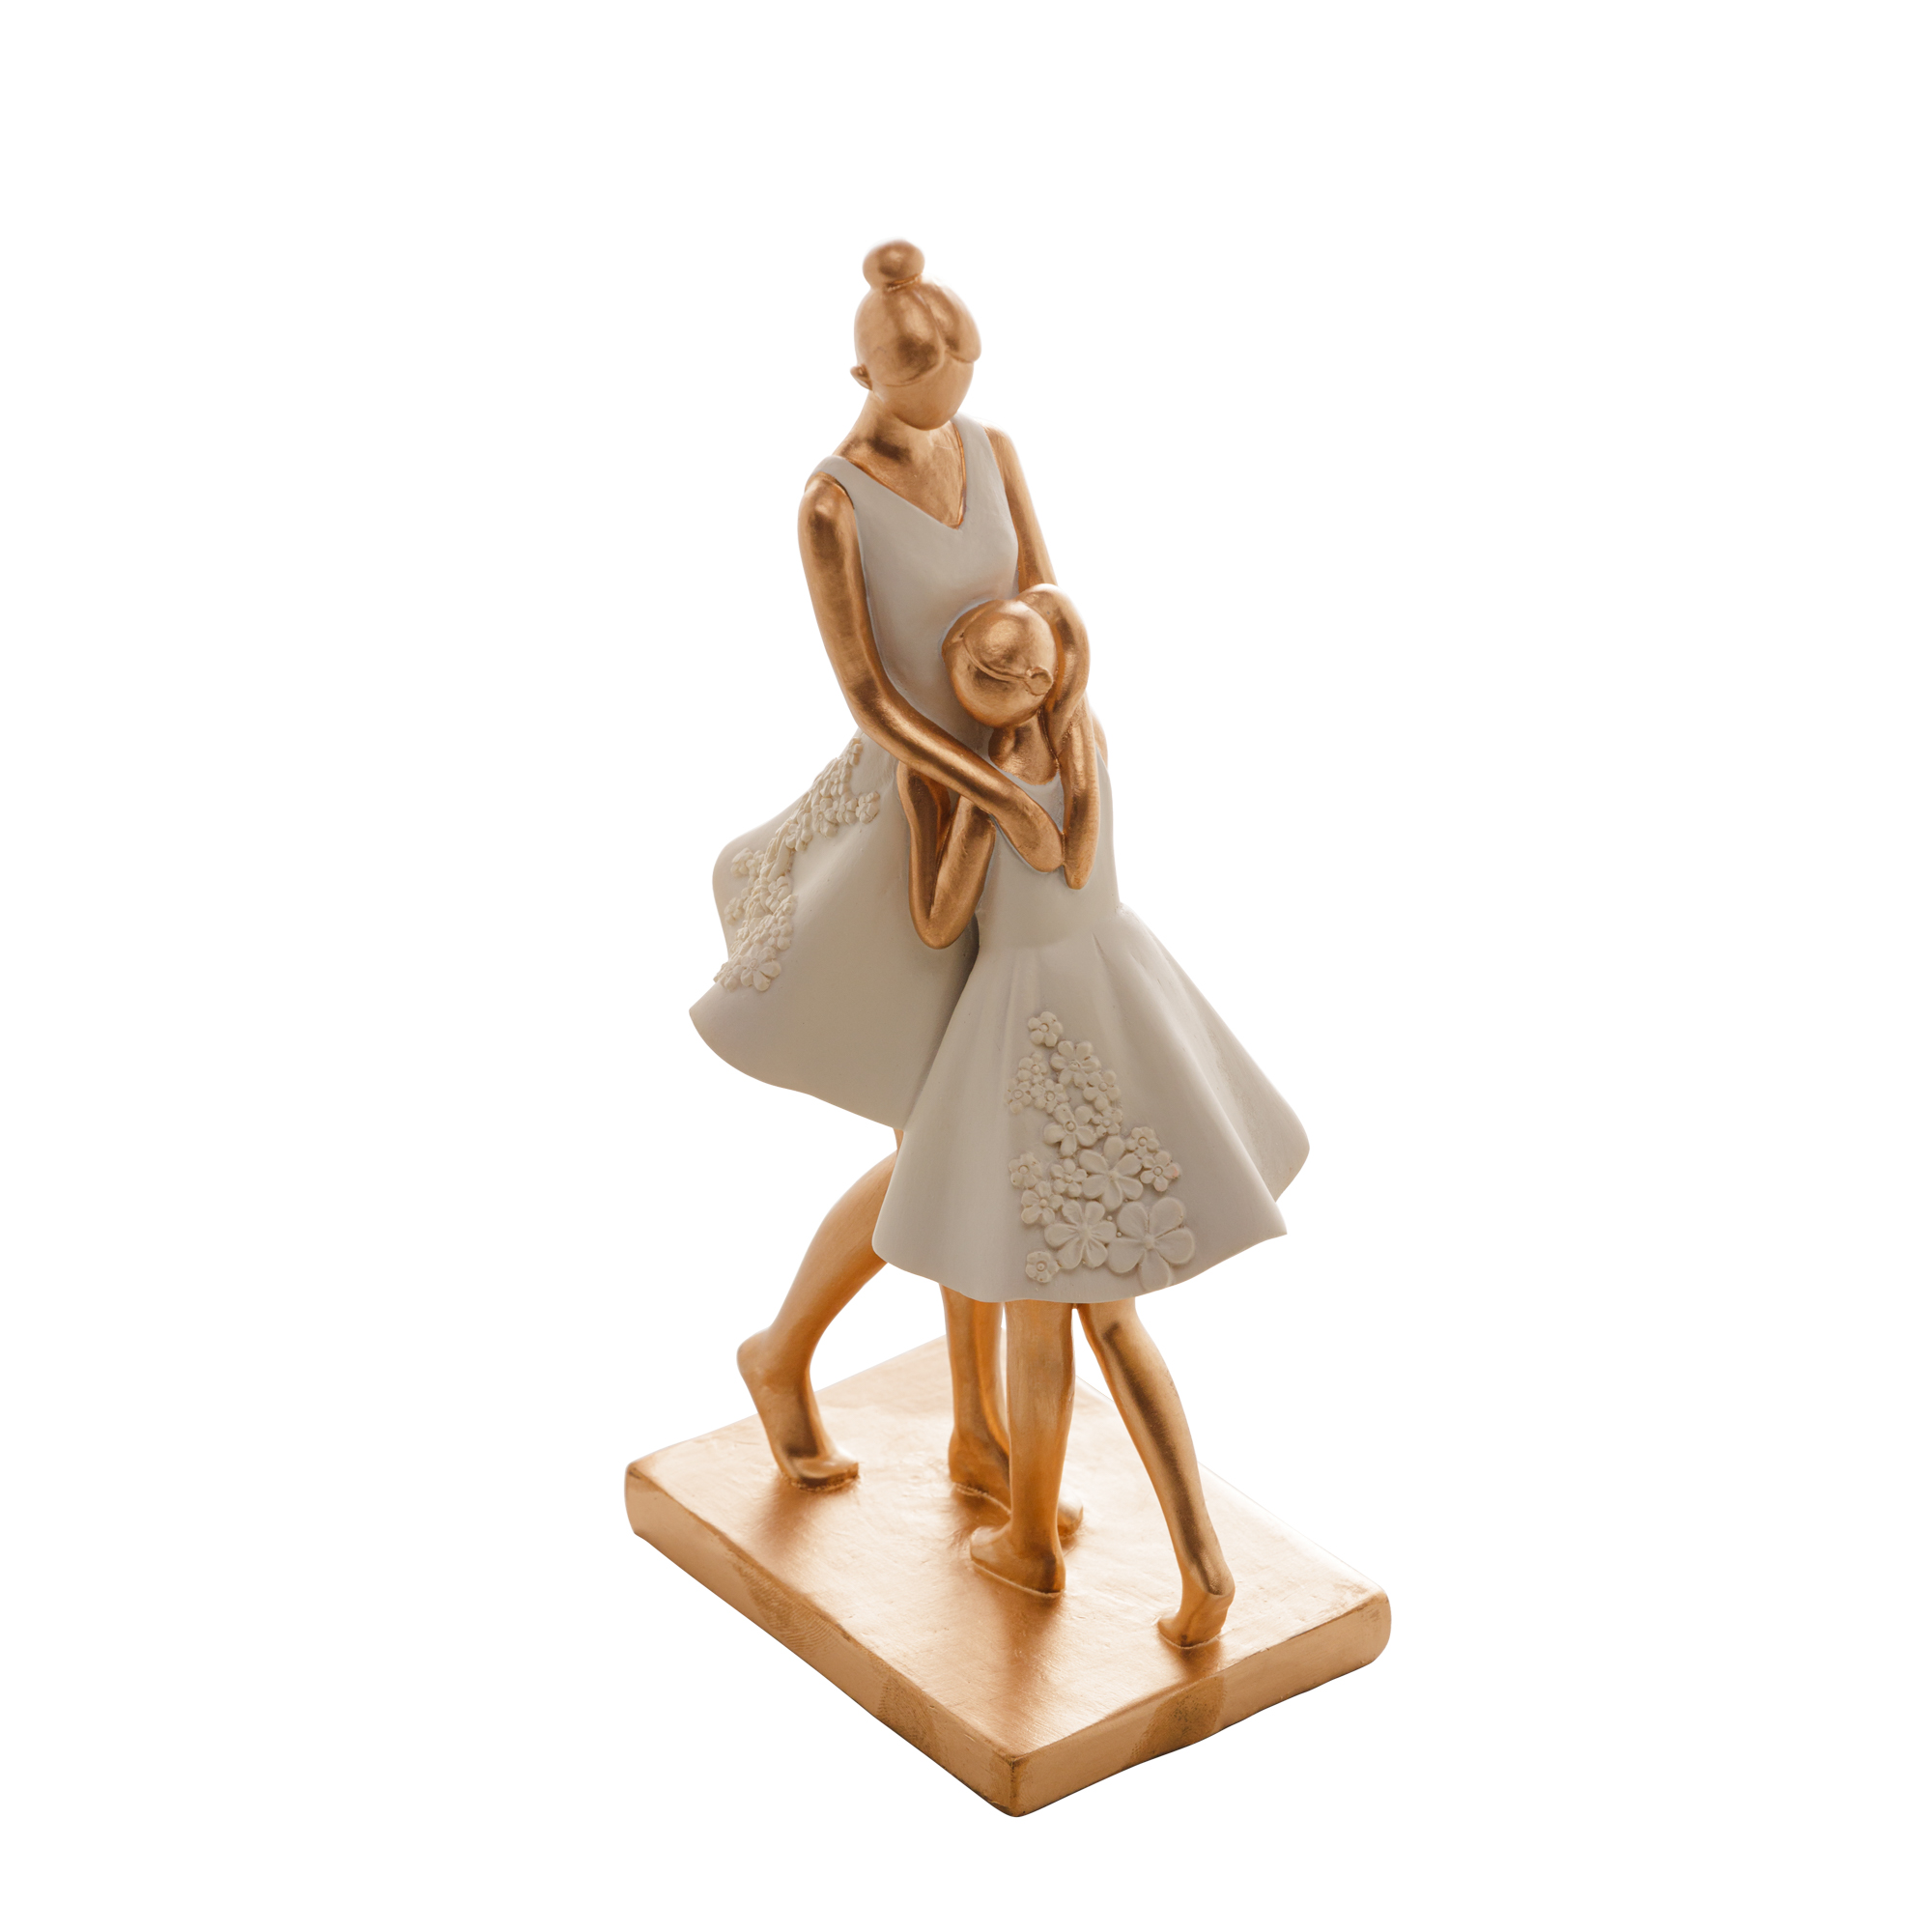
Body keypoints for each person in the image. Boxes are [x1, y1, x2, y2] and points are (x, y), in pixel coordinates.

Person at [689, 242, 1089, 1524]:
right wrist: (990, 794)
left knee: (967, 1141)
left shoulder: (994, 451)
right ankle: (783, 1352)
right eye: (925, 384)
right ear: (865, 376)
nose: (950, 403)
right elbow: (871, 697)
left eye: (963, 375)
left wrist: (1056, 748)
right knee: (944, 1138)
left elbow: (1043, 604)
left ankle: (976, 1432)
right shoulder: (832, 502)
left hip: (1010, 808)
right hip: (912, 828)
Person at [875, 594, 1309, 1646]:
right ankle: (1196, 1560)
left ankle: (1035, 1543)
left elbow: (937, 921)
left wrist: (930, 804)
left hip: (1027, 1033)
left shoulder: (986, 790)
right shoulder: (1085, 738)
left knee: (1039, 1308)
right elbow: (1075, 872)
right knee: (1112, 1318)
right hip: (1113, 1000)